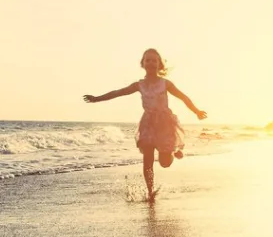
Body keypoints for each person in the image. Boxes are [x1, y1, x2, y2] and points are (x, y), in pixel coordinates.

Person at [83, 48, 207, 201]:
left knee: (165, 163)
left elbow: (183, 97)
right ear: (143, 63)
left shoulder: (166, 84)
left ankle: (173, 151)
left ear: (159, 64)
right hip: (148, 125)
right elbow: (117, 93)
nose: (151, 63)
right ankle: (150, 191)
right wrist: (97, 98)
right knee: (147, 159)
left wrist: (196, 111)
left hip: (165, 125)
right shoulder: (139, 85)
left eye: (154, 60)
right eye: (148, 60)